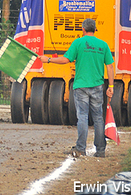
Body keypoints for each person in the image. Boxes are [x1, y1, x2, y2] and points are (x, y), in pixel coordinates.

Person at [40, 18, 114, 158]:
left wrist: (48, 60)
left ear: (83, 30)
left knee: (82, 117)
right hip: (98, 86)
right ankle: (100, 150)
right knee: (98, 118)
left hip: (81, 86)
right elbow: (110, 66)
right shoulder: (103, 45)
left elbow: (66, 60)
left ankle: (80, 148)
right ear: (95, 30)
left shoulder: (78, 43)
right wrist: (110, 86)